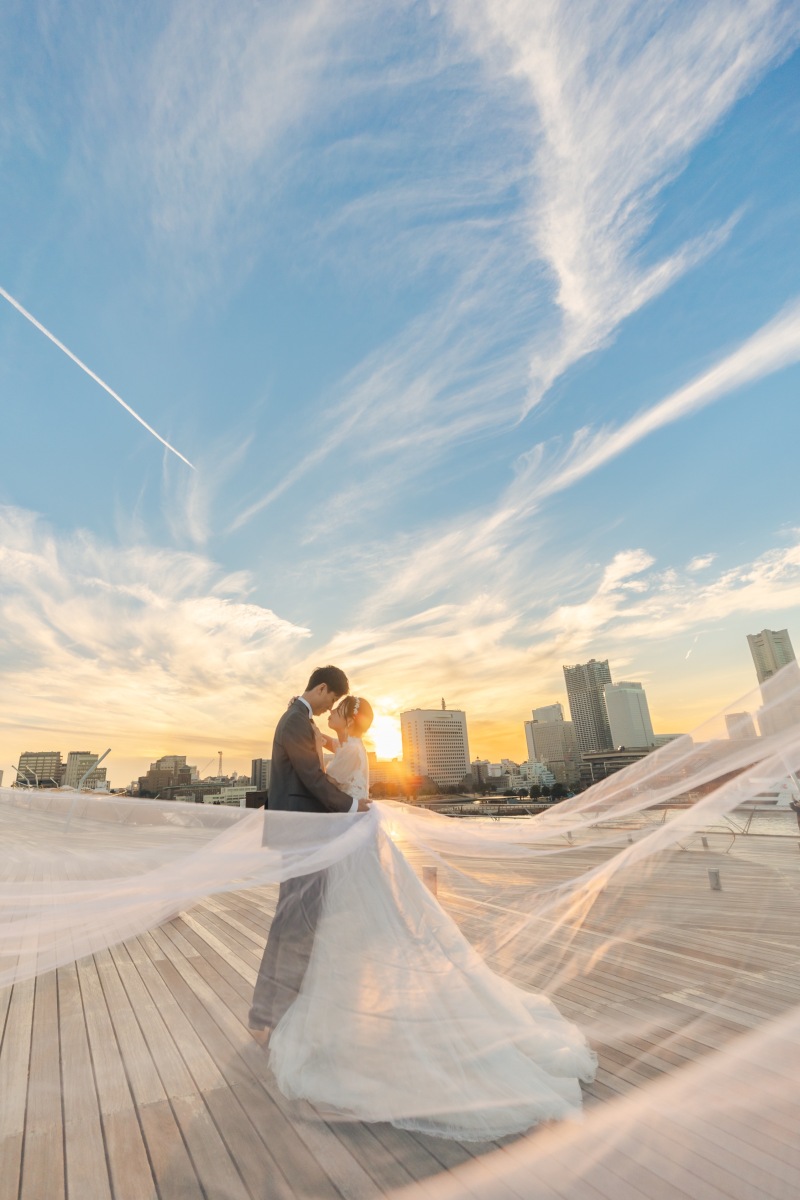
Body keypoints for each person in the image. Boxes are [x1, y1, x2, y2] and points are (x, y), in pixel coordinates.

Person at [267, 694, 597, 1141]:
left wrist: (317, 748)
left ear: (347, 716)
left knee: (348, 927)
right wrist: (322, 736)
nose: (330, 717)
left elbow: (325, 784)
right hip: (354, 846)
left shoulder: (349, 750)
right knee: (356, 927)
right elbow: (333, 751)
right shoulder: (351, 746)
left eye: (337, 712)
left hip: (347, 847)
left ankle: (359, 1015)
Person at [248, 666, 370, 1043]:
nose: (329, 707)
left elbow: (328, 762)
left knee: (295, 923)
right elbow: (313, 779)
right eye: (331, 699)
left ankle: (271, 1014)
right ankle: (271, 1015)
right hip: (303, 835)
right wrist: (352, 807)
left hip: (305, 835)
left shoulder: (298, 719)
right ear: (321, 688)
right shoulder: (296, 721)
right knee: (296, 925)